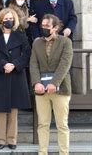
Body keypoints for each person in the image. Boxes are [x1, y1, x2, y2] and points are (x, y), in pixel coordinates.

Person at [0, 8, 31, 150]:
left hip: (16, 75)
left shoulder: (21, 36)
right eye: (6, 18)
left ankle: (12, 139)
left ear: (15, 20)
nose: (8, 21)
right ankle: (0, 140)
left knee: (13, 109)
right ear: (1, 20)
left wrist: (15, 65)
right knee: (0, 109)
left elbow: (27, 54)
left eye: (11, 18)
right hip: (0, 74)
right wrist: (2, 64)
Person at [30, 14, 73, 155]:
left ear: (55, 27)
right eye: (42, 26)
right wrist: (36, 82)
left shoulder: (66, 42)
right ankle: (42, 152)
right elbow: (33, 64)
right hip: (41, 90)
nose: (43, 28)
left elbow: (65, 64)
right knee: (43, 124)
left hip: (61, 90)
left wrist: (54, 83)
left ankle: (64, 153)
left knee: (62, 125)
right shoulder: (37, 42)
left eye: (47, 26)